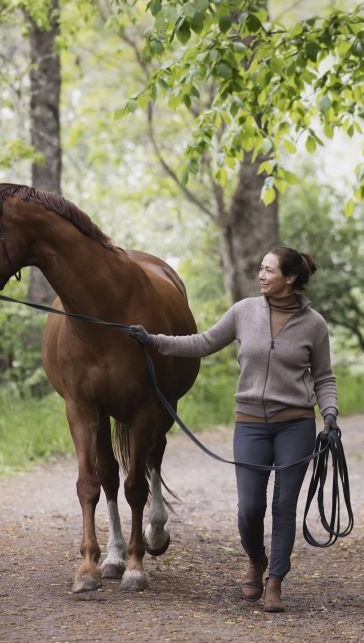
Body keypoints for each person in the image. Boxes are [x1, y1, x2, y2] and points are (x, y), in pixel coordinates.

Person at [129, 246, 338, 613]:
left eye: (268, 270)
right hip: (251, 424)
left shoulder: (314, 325)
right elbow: (203, 342)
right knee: (250, 509)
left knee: (284, 505)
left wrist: (331, 415)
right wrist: (155, 341)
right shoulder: (244, 312)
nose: (261, 275)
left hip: (296, 424)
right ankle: (255, 560)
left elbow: (324, 377)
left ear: (290, 278)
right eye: (260, 268)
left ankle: (274, 580)